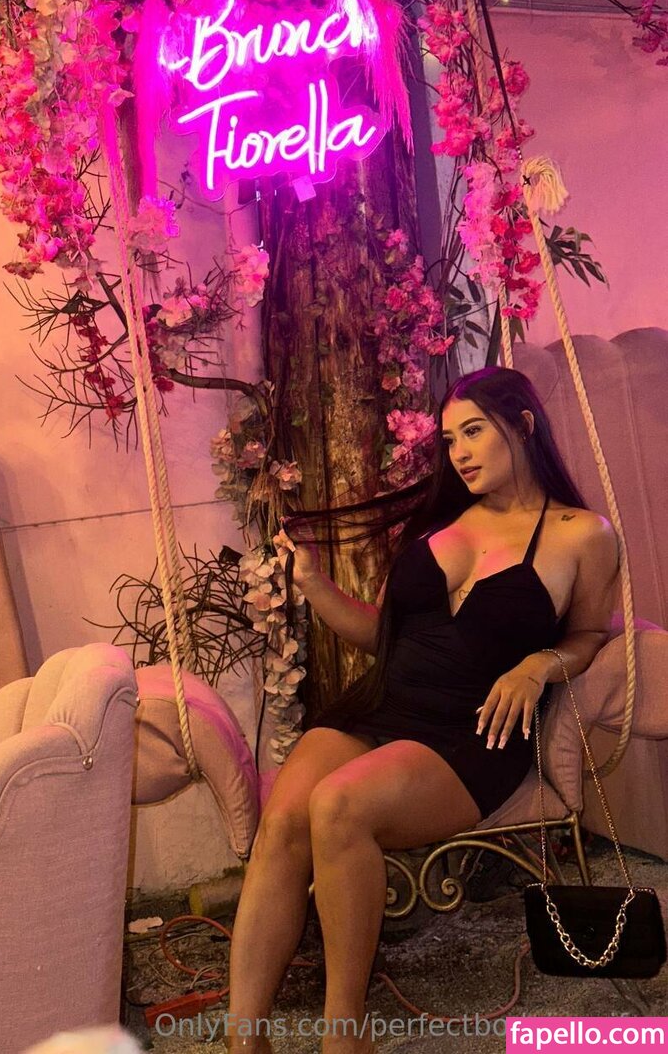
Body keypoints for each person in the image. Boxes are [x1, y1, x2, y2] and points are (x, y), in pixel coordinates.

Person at [224, 367, 619, 1053]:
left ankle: (344, 1036)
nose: (458, 452)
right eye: (449, 439)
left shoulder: (582, 534)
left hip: (471, 733)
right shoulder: (442, 524)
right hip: (384, 707)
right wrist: (313, 584)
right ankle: (243, 1040)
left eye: (473, 432)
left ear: (523, 425)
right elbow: (380, 637)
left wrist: (537, 666)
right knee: (282, 823)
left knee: (338, 807)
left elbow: (588, 635)